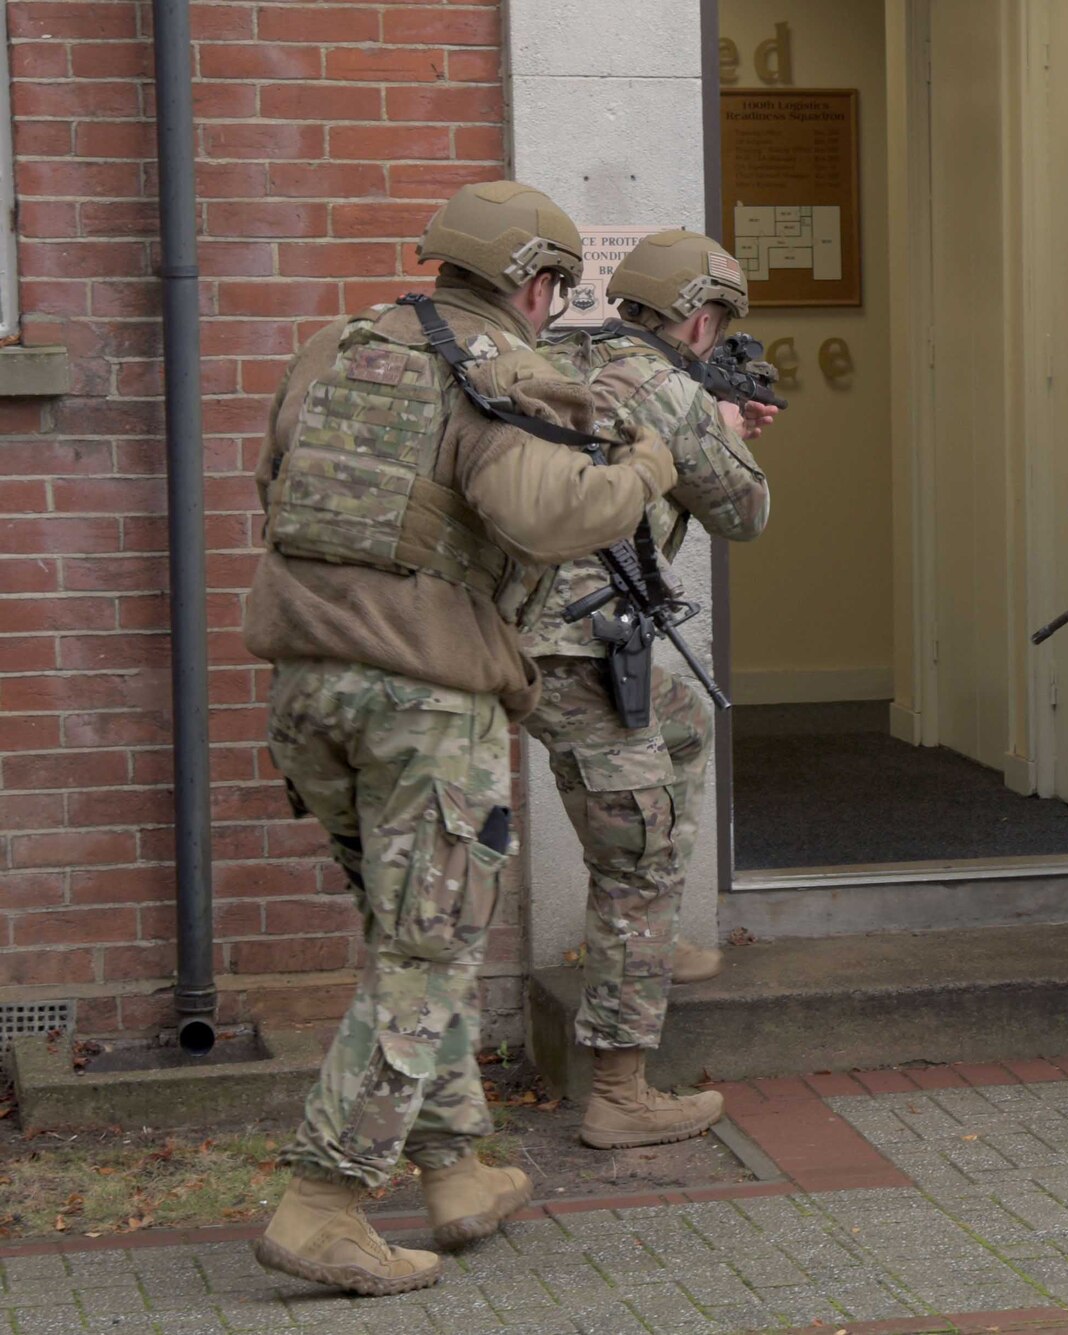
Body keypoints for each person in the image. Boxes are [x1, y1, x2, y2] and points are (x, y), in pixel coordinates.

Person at [245, 181, 680, 1295]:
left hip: (305, 688)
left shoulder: (331, 349)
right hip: (422, 705)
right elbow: (549, 514)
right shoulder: (495, 372)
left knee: (404, 933)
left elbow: (276, 484)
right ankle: (325, 1200)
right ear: (535, 284)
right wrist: (647, 469)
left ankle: (452, 1171)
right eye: (555, 291)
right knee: (428, 951)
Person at [529, 229, 777, 1150]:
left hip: (514, 639)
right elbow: (745, 514)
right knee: (639, 853)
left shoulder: (558, 353)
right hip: (579, 654)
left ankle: (655, 939)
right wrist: (723, 433)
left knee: (680, 724)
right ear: (703, 318)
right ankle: (622, 1093)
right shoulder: (673, 391)